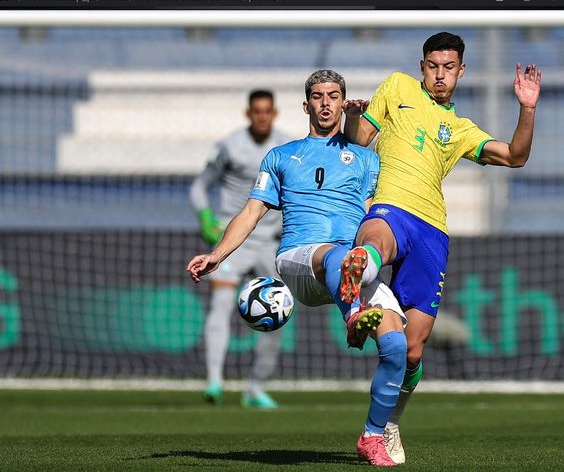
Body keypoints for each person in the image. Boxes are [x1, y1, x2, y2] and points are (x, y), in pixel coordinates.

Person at [188, 69, 407, 466]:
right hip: (299, 260)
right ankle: (354, 316)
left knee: (396, 347)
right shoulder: (281, 157)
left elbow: (380, 215)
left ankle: (372, 436)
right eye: (318, 96)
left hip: (350, 267)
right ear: (306, 105)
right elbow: (252, 211)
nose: (326, 103)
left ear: (344, 103)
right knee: (343, 258)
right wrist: (218, 254)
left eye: (334, 96)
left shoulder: (367, 160)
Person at [342, 31, 542, 464]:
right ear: (421, 67)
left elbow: (515, 156)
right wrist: (353, 118)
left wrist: (526, 109)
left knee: (412, 351)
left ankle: (385, 426)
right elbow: (358, 142)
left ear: (461, 71)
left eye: (448, 68)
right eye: (432, 66)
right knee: (375, 238)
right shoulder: (396, 87)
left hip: (432, 229)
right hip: (390, 205)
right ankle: (358, 272)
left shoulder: (462, 129)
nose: (439, 75)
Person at [189, 89, 292, 408]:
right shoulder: (230, 146)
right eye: (256, 111)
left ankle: (255, 388)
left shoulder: (287, 148)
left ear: (275, 113)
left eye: (267, 111)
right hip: (232, 241)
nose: (262, 116)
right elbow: (199, 186)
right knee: (221, 303)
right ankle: (215, 381)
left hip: (269, 244)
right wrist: (206, 217)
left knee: (279, 313)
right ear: (248, 113)